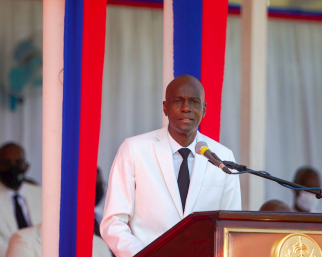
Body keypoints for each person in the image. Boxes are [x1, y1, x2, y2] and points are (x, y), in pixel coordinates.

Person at [100, 74, 242, 256]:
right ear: (165, 108)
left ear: (204, 109)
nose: (186, 108)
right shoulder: (134, 149)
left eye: (194, 102)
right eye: (178, 101)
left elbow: (231, 226)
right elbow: (113, 222)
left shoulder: (222, 156)